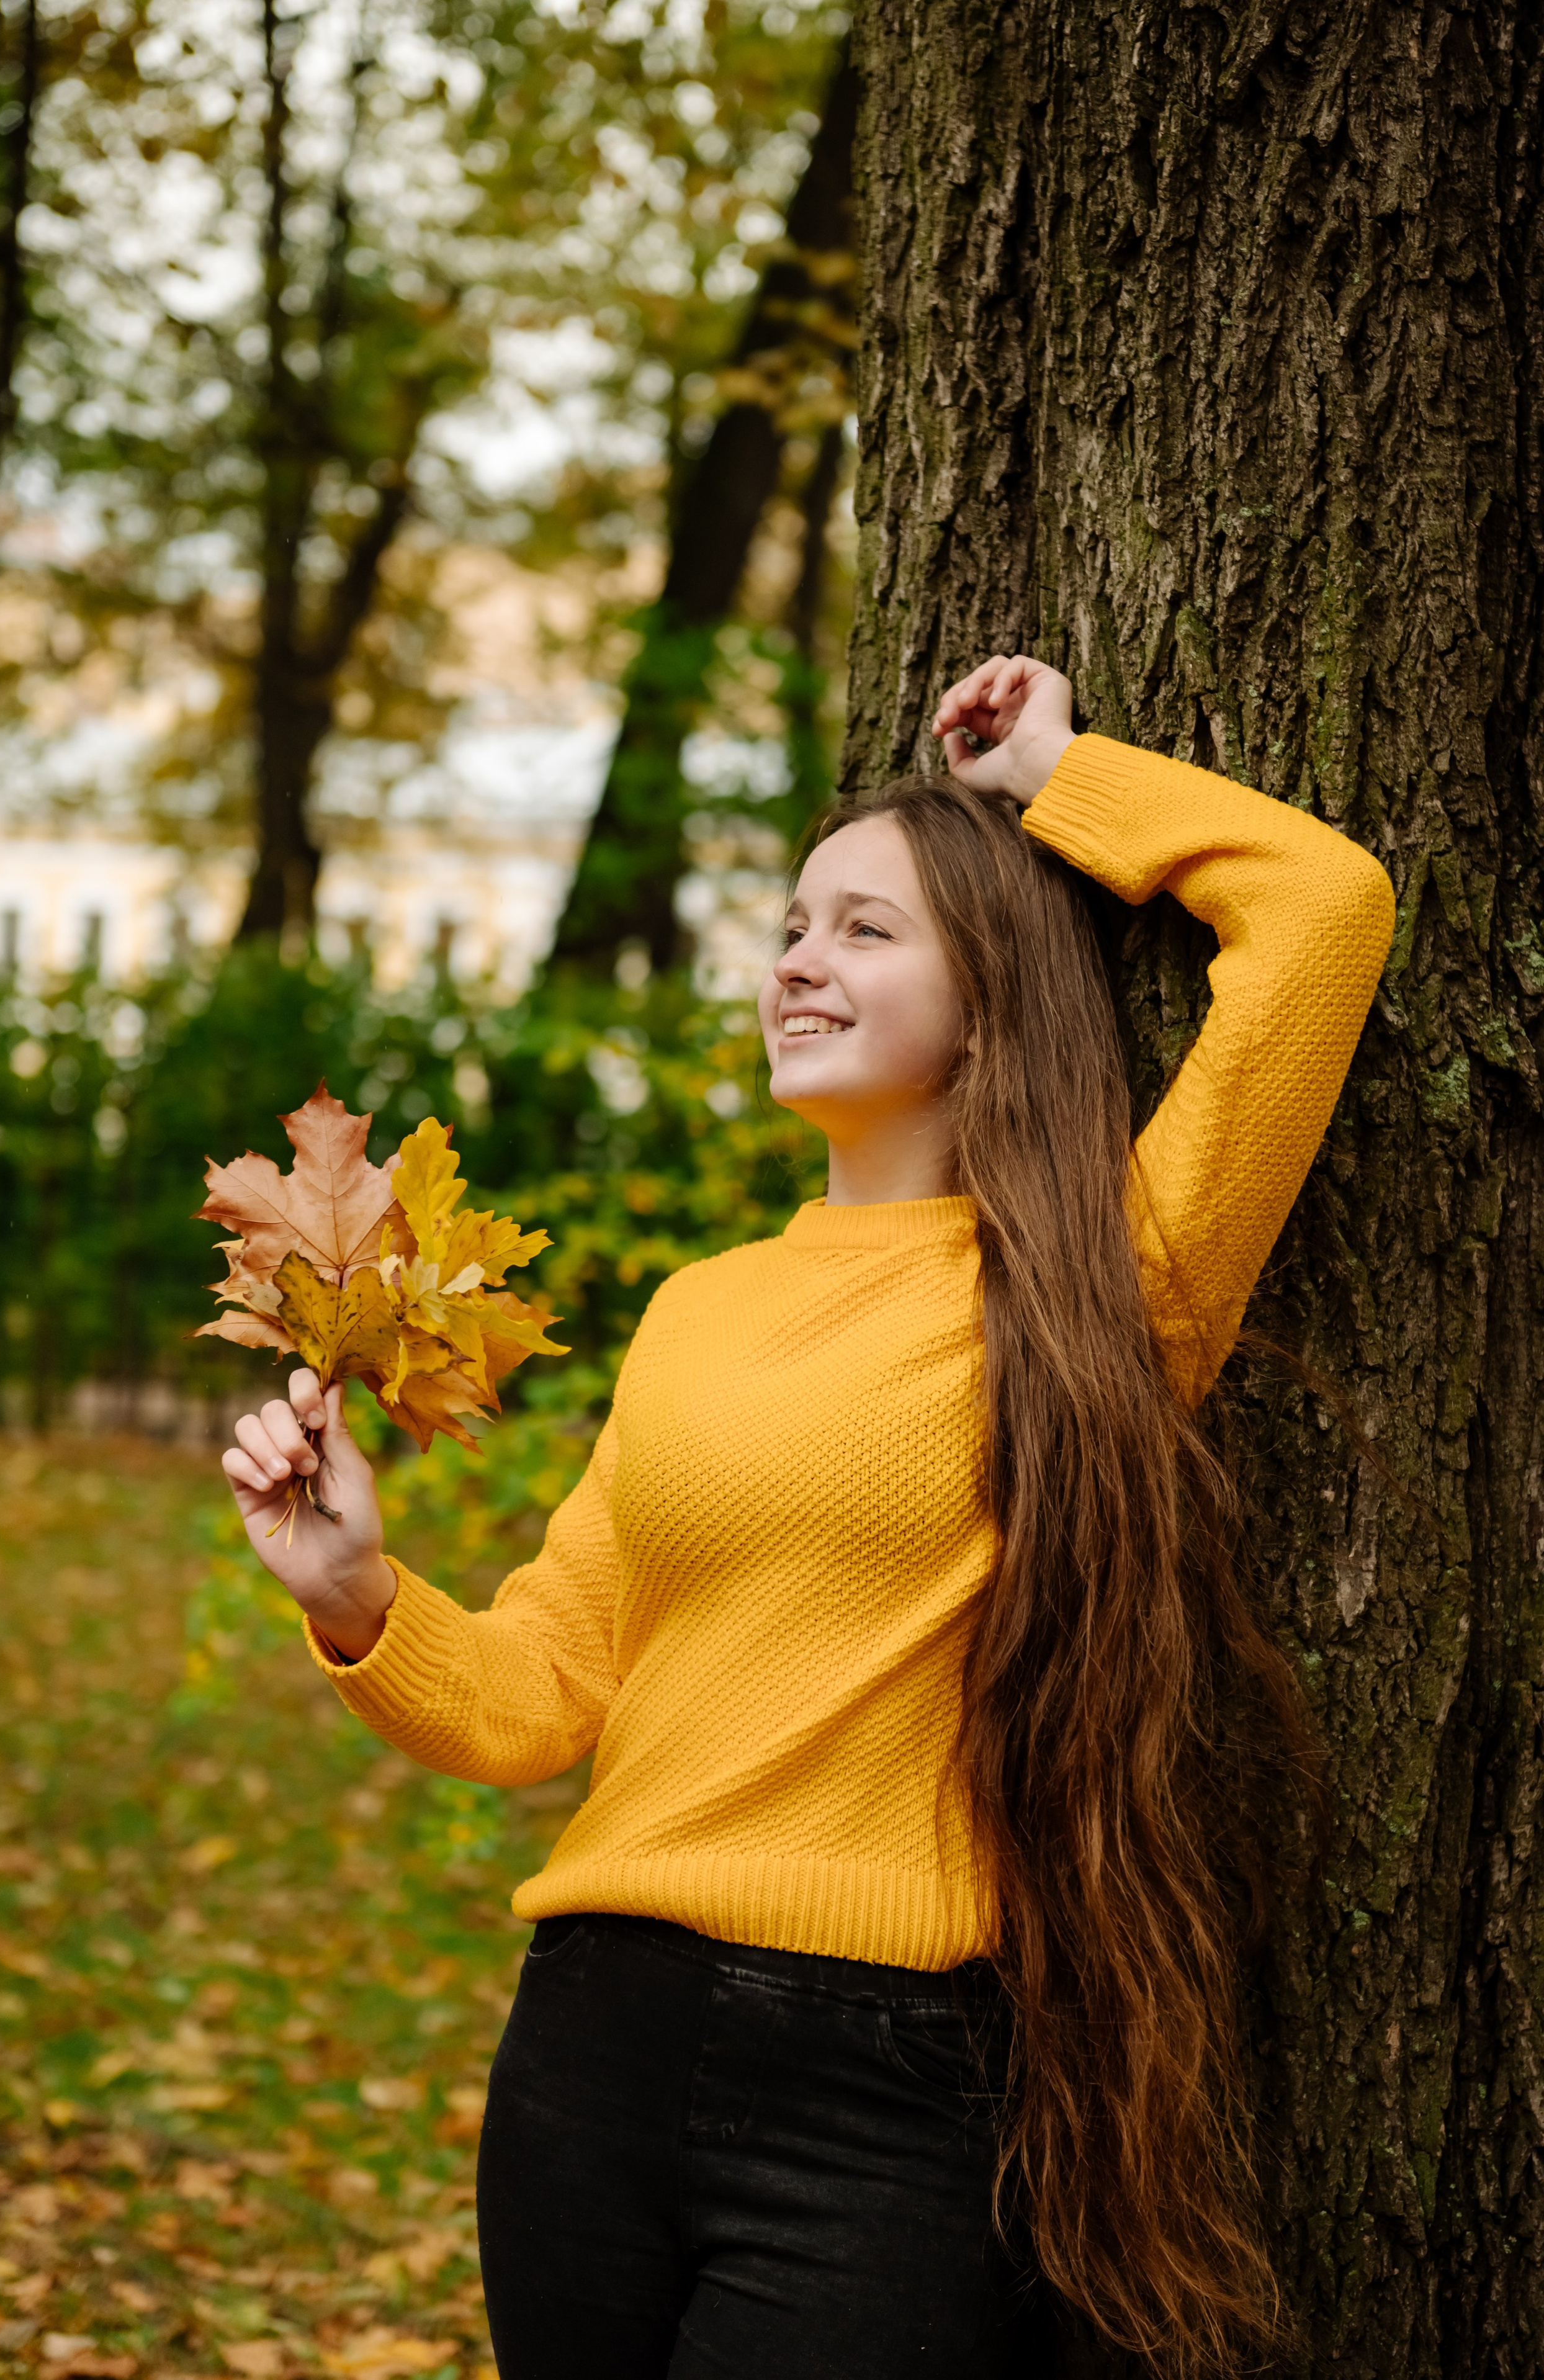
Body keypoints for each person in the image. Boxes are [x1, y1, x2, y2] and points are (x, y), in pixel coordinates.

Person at [222, 655, 1395, 2380]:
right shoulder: (700, 1308)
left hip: (898, 2090)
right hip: (592, 2049)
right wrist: (356, 1593)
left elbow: (1324, 914)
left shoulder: (1101, 1284)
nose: (795, 960)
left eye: (865, 930)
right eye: (791, 924)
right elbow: (548, 1685)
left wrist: (1056, 774)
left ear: (991, 998)